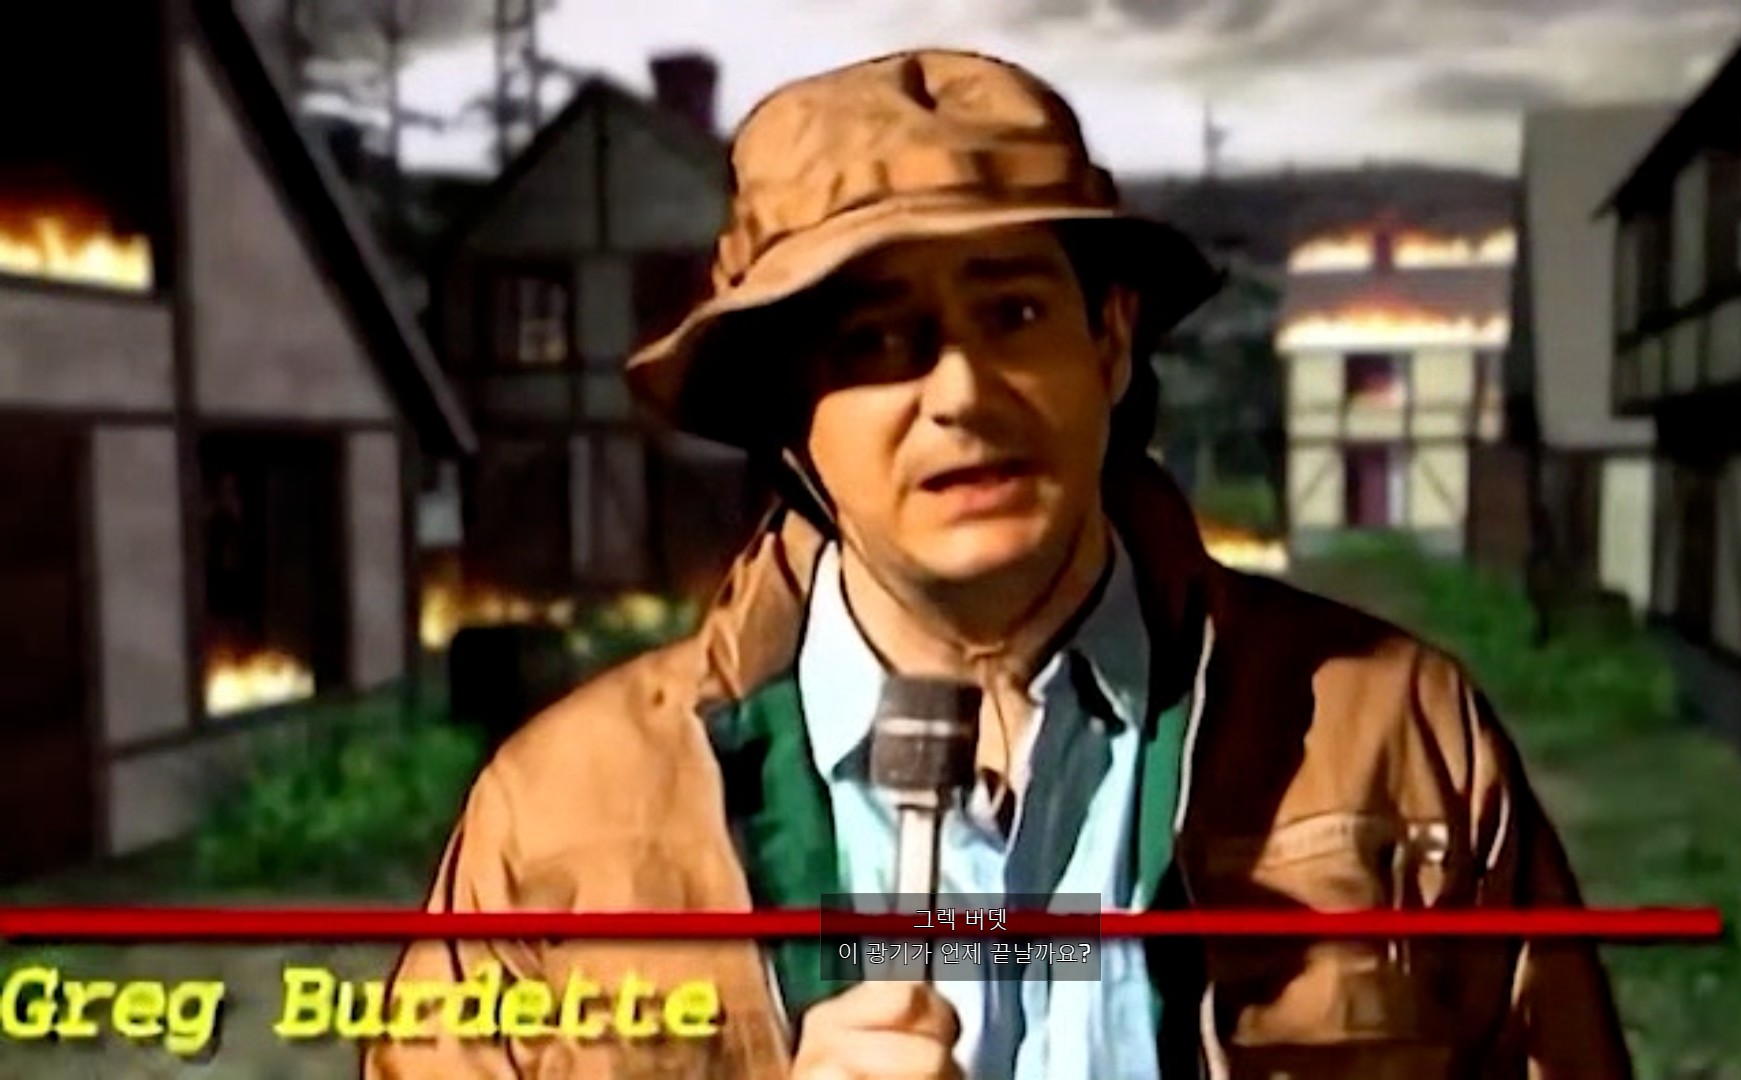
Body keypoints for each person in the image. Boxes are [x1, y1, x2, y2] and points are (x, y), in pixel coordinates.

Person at [364, 49, 1632, 1080]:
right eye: (878, 342)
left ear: (1110, 345)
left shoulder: (1398, 738)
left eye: (1015, 314)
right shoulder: (559, 820)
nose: (962, 394)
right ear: (788, 414)